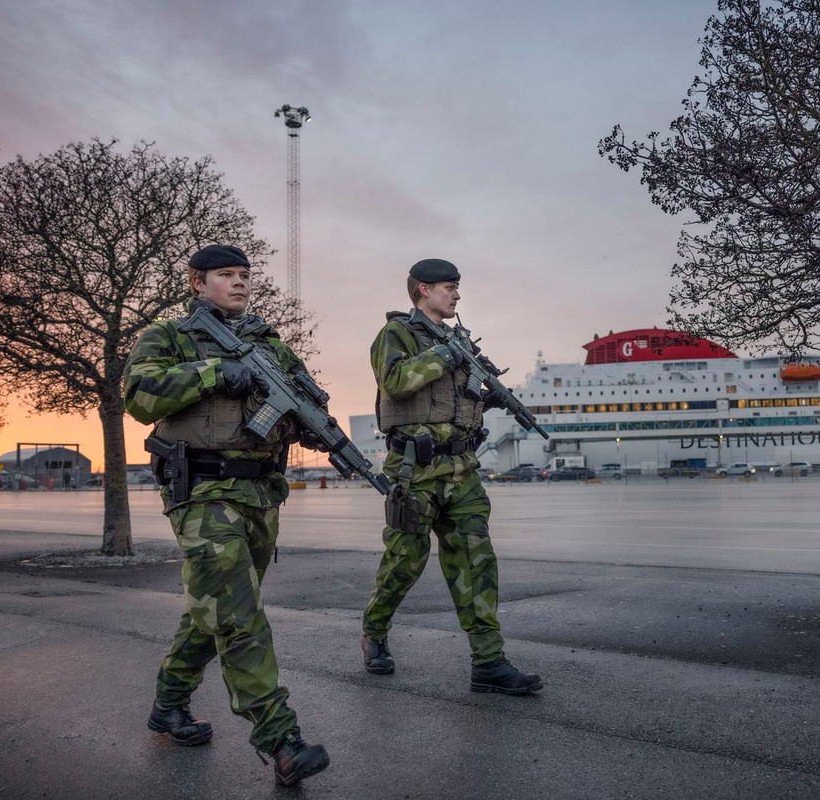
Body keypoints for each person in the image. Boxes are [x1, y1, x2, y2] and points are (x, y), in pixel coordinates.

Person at [123, 244, 330, 786]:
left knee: (211, 608)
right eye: (225, 275)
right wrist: (215, 371)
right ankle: (280, 739)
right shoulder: (167, 336)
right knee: (238, 614)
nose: (239, 283)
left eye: (244, 274)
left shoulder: (273, 346)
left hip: (260, 494)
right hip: (203, 494)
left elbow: (304, 408)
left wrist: (311, 421)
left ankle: (169, 704)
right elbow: (141, 396)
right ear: (197, 282)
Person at [360, 258, 543, 695]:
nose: (457, 295)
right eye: (449, 287)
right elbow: (397, 381)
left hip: (462, 470)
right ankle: (375, 630)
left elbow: (455, 399)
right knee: (405, 561)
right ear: (423, 290)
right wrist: (445, 354)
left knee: (477, 562)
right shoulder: (397, 334)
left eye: (457, 288)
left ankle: (489, 661)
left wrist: (486, 401)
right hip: (415, 471)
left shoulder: (456, 340)